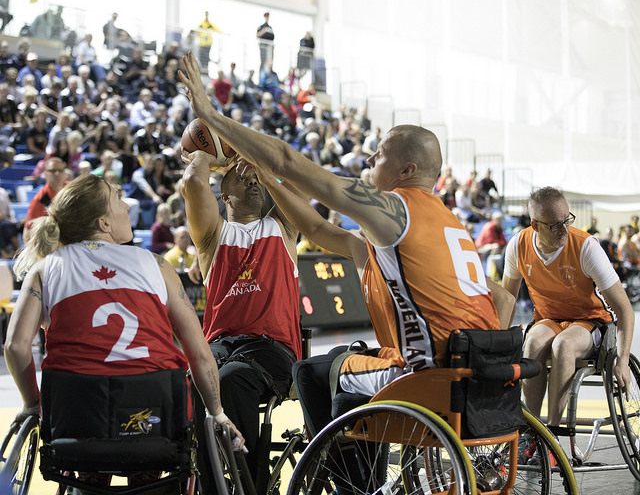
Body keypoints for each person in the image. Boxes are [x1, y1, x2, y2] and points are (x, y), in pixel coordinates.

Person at [178, 51, 506, 440]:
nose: (369, 157)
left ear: (406, 171)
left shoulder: (396, 211)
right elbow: (316, 226)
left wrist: (211, 116)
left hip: (425, 371)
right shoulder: (448, 225)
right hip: (475, 372)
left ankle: (336, 469)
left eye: (379, 154)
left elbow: (287, 162)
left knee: (318, 373)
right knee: (334, 362)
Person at [4, 174, 244, 490]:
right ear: (103, 222)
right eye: (118, 198)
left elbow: (16, 347)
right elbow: (198, 352)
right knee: (152, 456)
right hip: (154, 415)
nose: (127, 207)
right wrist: (217, 413)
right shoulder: (155, 263)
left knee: (90, 459)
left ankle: (91, 482)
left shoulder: (46, 268)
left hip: (76, 416)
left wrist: (32, 405)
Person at [180, 148, 301, 487]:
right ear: (224, 194)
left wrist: (259, 163)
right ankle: (209, 483)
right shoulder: (211, 237)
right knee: (193, 376)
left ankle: (247, 482)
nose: (250, 177)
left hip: (271, 348)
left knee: (231, 378)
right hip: (220, 344)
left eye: (254, 175)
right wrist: (211, 156)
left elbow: (298, 181)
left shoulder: (283, 228)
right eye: (239, 174)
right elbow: (192, 179)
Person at [501, 187, 634, 436]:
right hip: (549, 319)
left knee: (563, 346)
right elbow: (507, 300)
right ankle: (532, 432)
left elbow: (625, 309)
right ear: (535, 225)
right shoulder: (518, 246)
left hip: (592, 321)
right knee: (532, 343)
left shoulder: (586, 247)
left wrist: (623, 359)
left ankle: (552, 432)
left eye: (567, 221)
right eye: (554, 225)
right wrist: (495, 346)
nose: (564, 230)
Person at [23, 157, 68, 243]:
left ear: (65, 173)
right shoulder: (40, 199)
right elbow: (28, 230)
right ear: (45, 173)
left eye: (60, 170)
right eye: (52, 171)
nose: (57, 173)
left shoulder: (73, 191)